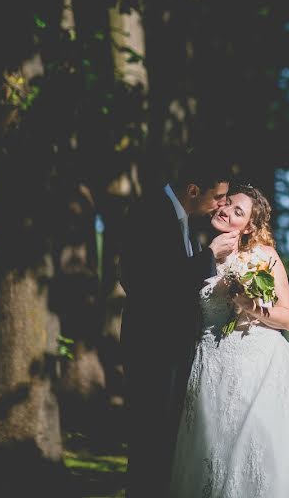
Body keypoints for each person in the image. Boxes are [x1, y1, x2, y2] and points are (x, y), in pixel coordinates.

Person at [169, 183, 289, 497]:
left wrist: (248, 302)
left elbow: (287, 318)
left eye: (237, 211)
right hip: (211, 366)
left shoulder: (263, 256)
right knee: (211, 448)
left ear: (250, 225)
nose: (226, 211)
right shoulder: (200, 254)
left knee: (259, 446)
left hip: (258, 367)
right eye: (226, 204)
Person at [119, 153, 239, 498]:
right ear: (192, 189)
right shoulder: (149, 212)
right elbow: (139, 280)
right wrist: (207, 259)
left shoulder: (185, 222)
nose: (220, 204)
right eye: (218, 197)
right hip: (152, 347)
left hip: (175, 347)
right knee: (149, 439)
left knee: (167, 440)